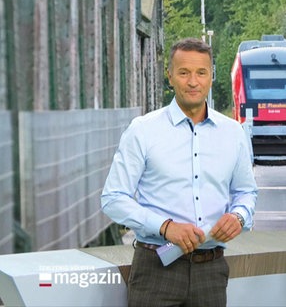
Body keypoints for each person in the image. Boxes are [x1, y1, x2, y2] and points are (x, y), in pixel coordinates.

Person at [101, 37, 257, 306]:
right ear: (170, 76)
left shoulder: (233, 133)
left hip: (212, 270)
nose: (193, 82)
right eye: (184, 73)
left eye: (201, 73)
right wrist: (165, 227)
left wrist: (239, 216)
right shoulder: (143, 130)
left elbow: (246, 192)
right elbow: (113, 199)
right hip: (155, 269)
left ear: (211, 76)